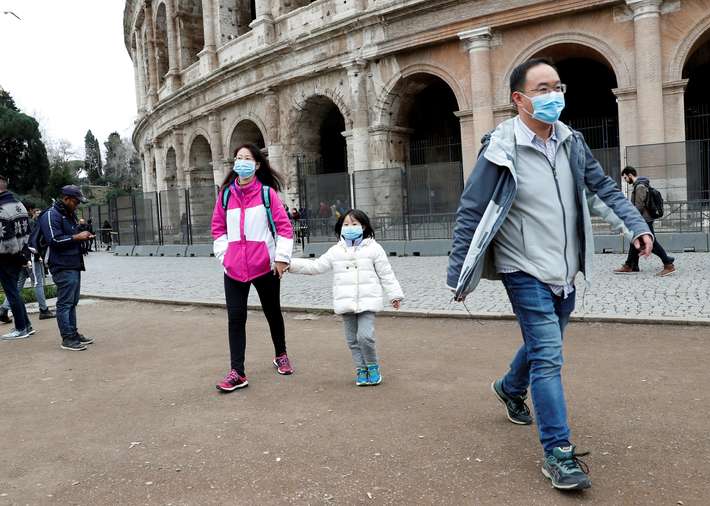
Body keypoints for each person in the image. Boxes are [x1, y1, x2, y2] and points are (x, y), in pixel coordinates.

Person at [447, 59, 653, 491]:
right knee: (548, 357)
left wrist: (635, 225)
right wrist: (458, 273)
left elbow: (604, 189)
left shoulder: (572, 141)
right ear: (519, 99)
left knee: (546, 345)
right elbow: (472, 209)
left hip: (566, 269)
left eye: (558, 86)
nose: (553, 95)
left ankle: (508, 386)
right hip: (522, 268)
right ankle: (558, 453)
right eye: (542, 88)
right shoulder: (499, 148)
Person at [211, 143, 295, 393]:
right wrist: (225, 257)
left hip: (264, 266)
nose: (242, 161)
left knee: (272, 312)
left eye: (247, 158)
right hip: (234, 268)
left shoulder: (268, 194)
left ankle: (281, 354)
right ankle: (237, 372)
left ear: (257, 165)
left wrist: (281, 258)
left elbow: (284, 228)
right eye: (238, 157)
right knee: (235, 318)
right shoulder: (225, 195)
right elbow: (217, 228)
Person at [288, 209, 404, 386]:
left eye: (354, 224)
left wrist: (394, 295)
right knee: (352, 339)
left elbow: (386, 273)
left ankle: (372, 366)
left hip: (367, 300)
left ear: (363, 226)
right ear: (340, 227)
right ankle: (361, 369)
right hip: (346, 301)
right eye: (346, 224)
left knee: (365, 336)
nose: (350, 227)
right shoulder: (336, 251)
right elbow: (316, 266)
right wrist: (289, 264)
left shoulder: (374, 248)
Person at [41, 185, 96, 351]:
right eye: (75, 201)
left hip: (73, 262)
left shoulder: (68, 214)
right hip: (61, 264)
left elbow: (70, 235)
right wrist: (76, 237)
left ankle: (73, 333)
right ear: (66, 199)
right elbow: (54, 240)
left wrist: (82, 233)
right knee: (65, 303)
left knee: (72, 301)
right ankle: (67, 338)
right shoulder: (51, 215)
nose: (77, 205)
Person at [614, 166, 676, 276]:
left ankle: (668, 263)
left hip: (644, 220)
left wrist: (632, 219)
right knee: (635, 241)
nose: (625, 180)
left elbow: (639, 206)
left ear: (629, 175)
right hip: (643, 219)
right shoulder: (639, 185)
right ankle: (631, 265)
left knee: (652, 243)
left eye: (625, 178)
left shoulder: (640, 186)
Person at [0, 207, 56, 322]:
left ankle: (4, 308)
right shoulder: (36, 223)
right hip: (31, 254)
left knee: (20, 283)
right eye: (37, 211)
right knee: (37, 282)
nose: (38, 213)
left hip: (22, 254)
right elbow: (34, 240)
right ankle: (44, 310)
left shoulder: (22, 220)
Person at [0, 175, 36, 339]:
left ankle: (21, 327)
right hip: (20, 252)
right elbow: (28, 231)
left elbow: (5, 238)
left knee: (11, 291)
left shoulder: (2, 207)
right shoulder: (18, 204)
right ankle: (26, 325)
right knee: (14, 291)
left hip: (7, 256)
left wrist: (17, 256)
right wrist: (24, 255)